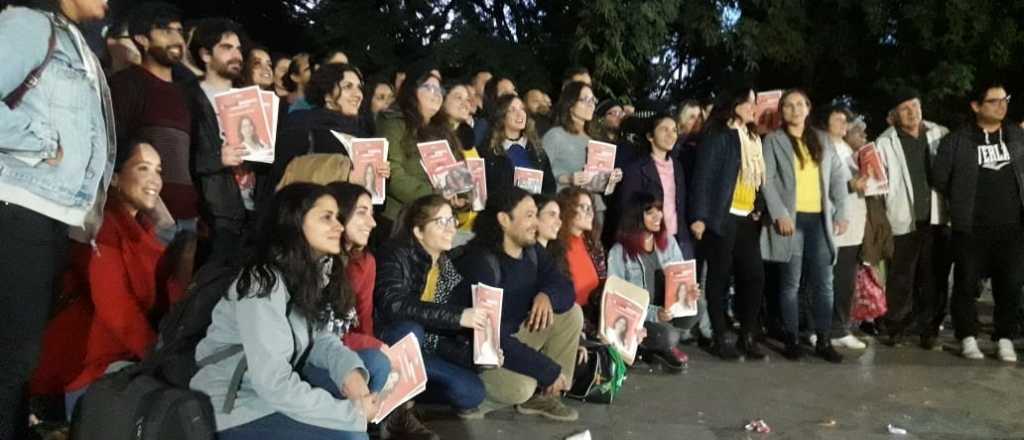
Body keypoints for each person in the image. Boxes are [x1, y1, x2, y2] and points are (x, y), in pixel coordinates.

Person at [191, 183, 390, 440]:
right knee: (350, 436)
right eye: (326, 217)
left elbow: (321, 339)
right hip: (236, 403)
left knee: (373, 365)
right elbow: (272, 382)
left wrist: (351, 376)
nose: (339, 227)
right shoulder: (262, 282)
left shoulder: (313, 272)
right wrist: (349, 414)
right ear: (295, 223)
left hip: (274, 385)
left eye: (338, 218)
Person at [0, 1, 114, 437]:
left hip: (48, 214)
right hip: (18, 207)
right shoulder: (28, 25)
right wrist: (40, 143)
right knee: (13, 358)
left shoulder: (74, 41)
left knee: (20, 359)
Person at [31, 140, 185, 419]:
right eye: (142, 168)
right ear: (114, 177)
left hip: (127, 358)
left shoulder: (144, 228)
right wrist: (160, 356)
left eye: (158, 170)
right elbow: (117, 309)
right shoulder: (100, 227)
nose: (155, 180)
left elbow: (168, 294)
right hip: (90, 367)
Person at [458, 188, 583, 422]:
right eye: (528, 215)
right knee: (522, 387)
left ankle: (547, 395)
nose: (536, 223)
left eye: (536, 215)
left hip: (513, 338)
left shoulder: (533, 251)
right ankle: (475, 401)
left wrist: (547, 295)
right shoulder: (482, 263)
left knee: (571, 313)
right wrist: (547, 369)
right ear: (504, 220)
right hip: (481, 351)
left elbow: (565, 287)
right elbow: (491, 338)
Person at [373, 195, 485, 432]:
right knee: (410, 329)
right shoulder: (396, 253)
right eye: (440, 222)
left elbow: (442, 333)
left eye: (451, 221)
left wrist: (479, 355)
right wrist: (457, 316)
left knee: (473, 392)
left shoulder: (446, 267)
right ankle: (395, 409)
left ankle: (410, 393)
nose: (450, 228)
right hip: (388, 339)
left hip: (425, 350)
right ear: (418, 231)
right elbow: (394, 305)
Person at [932, 82, 1024, 362]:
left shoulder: (1016, 137)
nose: (1001, 105)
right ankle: (967, 336)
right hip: (971, 227)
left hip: (1012, 226)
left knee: (1010, 284)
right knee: (966, 283)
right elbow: (939, 179)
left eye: (1004, 99)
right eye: (993, 101)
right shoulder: (957, 140)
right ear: (976, 106)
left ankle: (1004, 337)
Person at [760, 90, 849, 363]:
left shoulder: (821, 139)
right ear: (781, 111)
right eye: (788, 105)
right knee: (791, 284)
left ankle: (823, 338)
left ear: (808, 109)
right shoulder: (774, 141)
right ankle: (792, 338)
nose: (795, 109)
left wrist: (841, 212)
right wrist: (779, 214)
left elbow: (836, 177)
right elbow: (768, 180)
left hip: (818, 221)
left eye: (800, 104)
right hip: (792, 221)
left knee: (824, 283)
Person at [689, 87, 767, 360]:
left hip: (745, 216)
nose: (752, 106)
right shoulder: (719, 134)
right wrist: (699, 216)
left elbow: (755, 178)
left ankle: (747, 335)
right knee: (719, 277)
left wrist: (758, 206)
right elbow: (704, 176)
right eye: (748, 101)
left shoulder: (753, 136)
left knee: (754, 275)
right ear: (733, 103)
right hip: (721, 215)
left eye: (754, 102)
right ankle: (719, 337)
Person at [110, 2, 196, 244]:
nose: (177, 38)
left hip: (190, 218)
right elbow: (115, 144)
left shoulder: (189, 94)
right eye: (166, 31)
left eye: (180, 31)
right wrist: (150, 208)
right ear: (142, 39)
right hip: (147, 216)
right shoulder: (126, 84)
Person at [184, 18, 263, 264]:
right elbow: (178, 158)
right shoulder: (188, 97)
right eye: (227, 48)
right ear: (206, 55)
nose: (237, 55)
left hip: (253, 209)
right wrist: (218, 158)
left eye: (239, 49)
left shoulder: (253, 99)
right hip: (214, 214)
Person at [875, 88, 949, 348]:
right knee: (900, 278)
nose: (912, 113)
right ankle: (897, 325)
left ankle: (929, 328)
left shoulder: (939, 134)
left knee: (933, 277)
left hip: (936, 218)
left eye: (915, 106)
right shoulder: (884, 142)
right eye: (905, 109)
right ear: (894, 115)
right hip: (902, 218)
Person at [606, 192, 698, 372]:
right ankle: (648, 345)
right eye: (650, 212)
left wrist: (689, 292)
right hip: (639, 318)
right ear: (636, 217)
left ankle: (662, 344)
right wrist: (656, 315)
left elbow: (681, 278)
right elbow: (617, 302)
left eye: (660, 210)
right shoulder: (619, 252)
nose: (659, 216)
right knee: (669, 335)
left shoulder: (668, 242)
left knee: (698, 305)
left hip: (666, 311)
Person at [271, 63, 389, 192]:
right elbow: (281, 181)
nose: (358, 94)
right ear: (327, 95)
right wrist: (344, 176)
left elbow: (375, 202)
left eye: (359, 88)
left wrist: (382, 177)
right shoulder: (302, 128)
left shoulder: (364, 137)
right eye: (348, 87)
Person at [378, 68, 469, 222]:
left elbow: (459, 178)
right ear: (412, 90)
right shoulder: (393, 122)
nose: (436, 93)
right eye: (428, 87)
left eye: (439, 89)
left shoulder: (444, 130)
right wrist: (435, 194)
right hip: (402, 220)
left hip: (438, 221)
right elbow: (394, 176)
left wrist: (462, 198)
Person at [817, 106, 870, 350]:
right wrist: (850, 185)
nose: (842, 124)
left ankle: (840, 327)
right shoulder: (821, 146)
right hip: (831, 223)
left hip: (854, 224)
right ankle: (820, 328)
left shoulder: (851, 151)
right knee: (824, 280)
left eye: (845, 121)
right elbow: (824, 184)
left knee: (845, 281)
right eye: (836, 119)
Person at [544, 81, 623, 226]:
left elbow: (595, 183)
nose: (591, 104)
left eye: (593, 100)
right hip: (566, 211)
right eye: (585, 99)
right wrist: (567, 178)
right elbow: (540, 175)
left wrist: (609, 179)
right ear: (570, 104)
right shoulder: (555, 136)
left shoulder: (593, 140)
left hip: (595, 211)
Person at [618, 113, 695, 257]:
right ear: (650, 136)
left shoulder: (677, 166)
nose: (671, 135)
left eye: (674, 130)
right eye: (664, 129)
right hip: (649, 239)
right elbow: (628, 208)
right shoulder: (636, 168)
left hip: (679, 238)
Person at [481, 94, 557, 196]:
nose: (520, 113)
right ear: (502, 117)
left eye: (522, 109)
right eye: (512, 110)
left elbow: (550, 188)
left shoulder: (537, 150)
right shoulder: (490, 152)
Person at [557, 188, 607, 307]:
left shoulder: (593, 244)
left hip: (594, 315)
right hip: (568, 320)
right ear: (567, 209)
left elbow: (604, 286)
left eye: (591, 208)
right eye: (584, 207)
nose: (590, 213)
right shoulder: (555, 247)